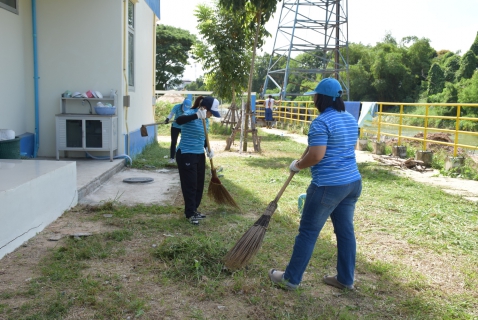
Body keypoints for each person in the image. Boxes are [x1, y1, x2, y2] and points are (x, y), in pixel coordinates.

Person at [268, 78, 362, 290]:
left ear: (323, 98)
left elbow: (317, 155)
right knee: (345, 232)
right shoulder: (349, 118)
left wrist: (298, 165)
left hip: (328, 186)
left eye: (315, 96)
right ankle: (345, 279)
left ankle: (290, 279)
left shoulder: (321, 122)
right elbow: (343, 147)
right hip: (352, 182)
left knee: (308, 232)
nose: (314, 99)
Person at [174, 96, 221, 225]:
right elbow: (179, 120)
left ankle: (194, 210)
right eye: (211, 112)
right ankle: (189, 213)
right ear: (205, 108)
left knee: (199, 184)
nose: (211, 116)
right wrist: (196, 116)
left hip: (199, 155)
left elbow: (204, 137)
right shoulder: (190, 113)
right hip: (186, 154)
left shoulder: (206, 120)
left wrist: (207, 149)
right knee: (190, 185)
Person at [165, 98, 192, 164]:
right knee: (174, 142)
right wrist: (168, 119)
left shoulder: (191, 109)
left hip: (184, 127)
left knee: (186, 141)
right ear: (183, 104)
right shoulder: (177, 106)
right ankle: (172, 158)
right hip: (175, 127)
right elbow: (171, 114)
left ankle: (185, 157)